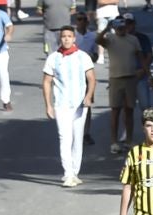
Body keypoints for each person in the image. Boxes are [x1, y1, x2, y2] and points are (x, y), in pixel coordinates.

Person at [43, 25, 96, 184]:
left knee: (77, 138)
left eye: (69, 36)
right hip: (61, 104)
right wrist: (48, 105)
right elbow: (46, 82)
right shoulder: (53, 58)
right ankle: (68, 173)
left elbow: (92, 78)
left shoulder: (82, 57)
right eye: (63, 36)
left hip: (79, 104)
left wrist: (88, 96)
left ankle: (75, 171)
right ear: (60, 38)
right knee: (64, 137)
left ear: (74, 38)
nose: (66, 39)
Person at [100, 12, 145, 151]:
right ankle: (114, 142)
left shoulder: (133, 39)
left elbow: (141, 57)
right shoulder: (110, 38)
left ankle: (129, 140)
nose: (121, 27)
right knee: (115, 111)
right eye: (118, 25)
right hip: (115, 79)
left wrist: (148, 75)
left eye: (123, 24)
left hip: (131, 78)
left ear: (126, 26)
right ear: (115, 26)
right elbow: (98, 40)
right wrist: (107, 28)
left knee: (129, 110)